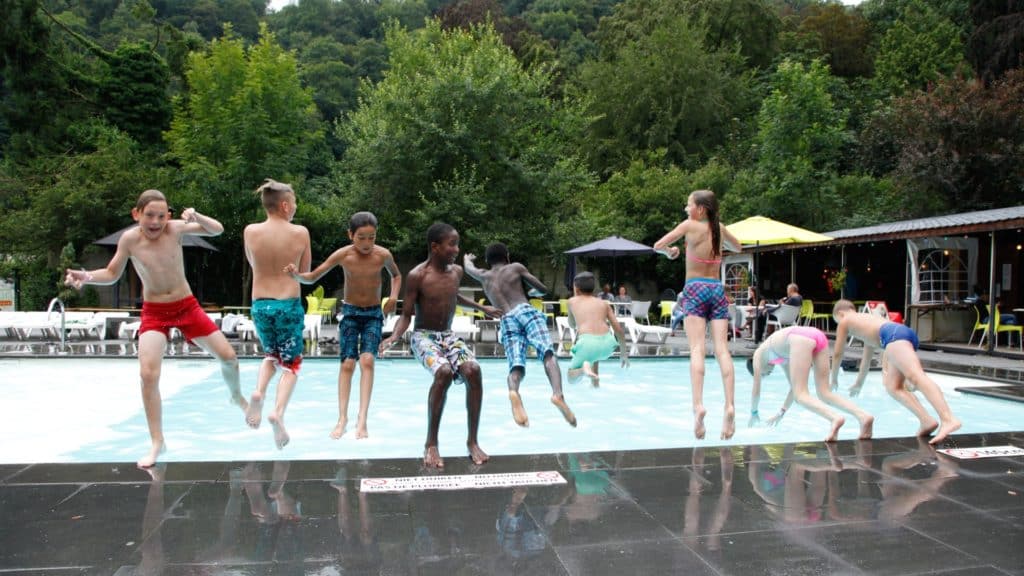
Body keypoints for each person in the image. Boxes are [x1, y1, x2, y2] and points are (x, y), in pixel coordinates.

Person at [64, 189, 246, 468]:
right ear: (136, 214)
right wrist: (86, 276)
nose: (155, 221)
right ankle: (157, 441)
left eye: (161, 216)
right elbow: (112, 274)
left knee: (229, 359)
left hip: (187, 307)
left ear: (168, 217)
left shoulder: (174, 230)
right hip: (155, 312)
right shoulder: (129, 240)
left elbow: (217, 230)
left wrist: (196, 216)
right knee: (148, 375)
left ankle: (236, 396)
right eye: (149, 215)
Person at [379, 222, 499, 468]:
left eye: (457, 243)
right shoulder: (417, 276)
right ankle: (431, 444)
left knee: (473, 370)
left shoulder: (456, 272)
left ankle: (472, 441)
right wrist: (393, 336)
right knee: (443, 372)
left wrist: (481, 307)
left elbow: (454, 295)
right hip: (424, 336)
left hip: (447, 334)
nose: (456, 249)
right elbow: (407, 315)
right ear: (435, 246)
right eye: (451, 244)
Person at [285, 211, 401, 440]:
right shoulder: (343, 255)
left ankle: (362, 419)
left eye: (371, 237)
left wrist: (394, 296)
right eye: (361, 238)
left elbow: (396, 276)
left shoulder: (382, 255)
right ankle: (342, 418)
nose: (367, 243)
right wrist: (296, 275)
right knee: (348, 363)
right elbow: (312, 277)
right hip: (350, 313)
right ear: (350, 235)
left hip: (373, 315)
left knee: (367, 360)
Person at [654, 189, 741, 440]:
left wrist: (669, 253)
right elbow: (738, 246)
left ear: (700, 209)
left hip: (694, 289)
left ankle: (698, 406)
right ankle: (730, 406)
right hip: (716, 289)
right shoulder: (720, 228)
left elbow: (658, 245)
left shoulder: (689, 226)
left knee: (697, 350)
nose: (685, 208)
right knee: (722, 350)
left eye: (688, 204)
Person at [464, 242, 576, 427]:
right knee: (547, 353)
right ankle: (557, 394)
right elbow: (542, 289)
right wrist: (531, 291)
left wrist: (467, 259)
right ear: (507, 256)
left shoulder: (484, 276)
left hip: (506, 319)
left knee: (516, 366)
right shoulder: (515, 267)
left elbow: (469, 269)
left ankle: (514, 392)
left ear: (487, 260)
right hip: (524, 311)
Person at [830, 299, 961, 444]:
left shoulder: (845, 321)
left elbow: (837, 353)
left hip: (893, 336)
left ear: (840, 314)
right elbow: (866, 362)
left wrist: (834, 377)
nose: (839, 325)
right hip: (898, 334)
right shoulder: (866, 324)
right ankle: (926, 420)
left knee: (916, 376)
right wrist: (858, 384)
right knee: (893, 387)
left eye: (837, 321)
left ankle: (948, 419)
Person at [242, 179, 311, 450]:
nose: (295, 208)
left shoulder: (250, 231)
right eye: (293, 204)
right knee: (291, 365)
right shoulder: (300, 232)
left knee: (270, 355)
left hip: (260, 304)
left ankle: (259, 391)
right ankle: (277, 413)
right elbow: (304, 275)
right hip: (288, 305)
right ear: (284, 206)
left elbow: (253, 262)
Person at [747, 326, 874, 442]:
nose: (766, 375)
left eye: (764, 375)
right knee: (824, 393)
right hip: (817, 336)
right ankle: (863, 416)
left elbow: (756, 390)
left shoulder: (758, 354)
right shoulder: (781, 357)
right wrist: (781, 413)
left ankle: (834, 418)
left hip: (800, 338)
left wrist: (753, 412)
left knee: (801, 395)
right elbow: (793, 388)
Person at [565, 271, 629, 387]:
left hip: (588, 344)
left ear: (577, 289)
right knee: (594, 354)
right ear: (593, 289)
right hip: (608, 345)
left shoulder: (571, 302)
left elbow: (572, 324)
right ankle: (595, 383)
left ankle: (583, 370)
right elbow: (618, 329)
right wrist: (624, 353)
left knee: (571, 378)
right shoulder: (604, 303)